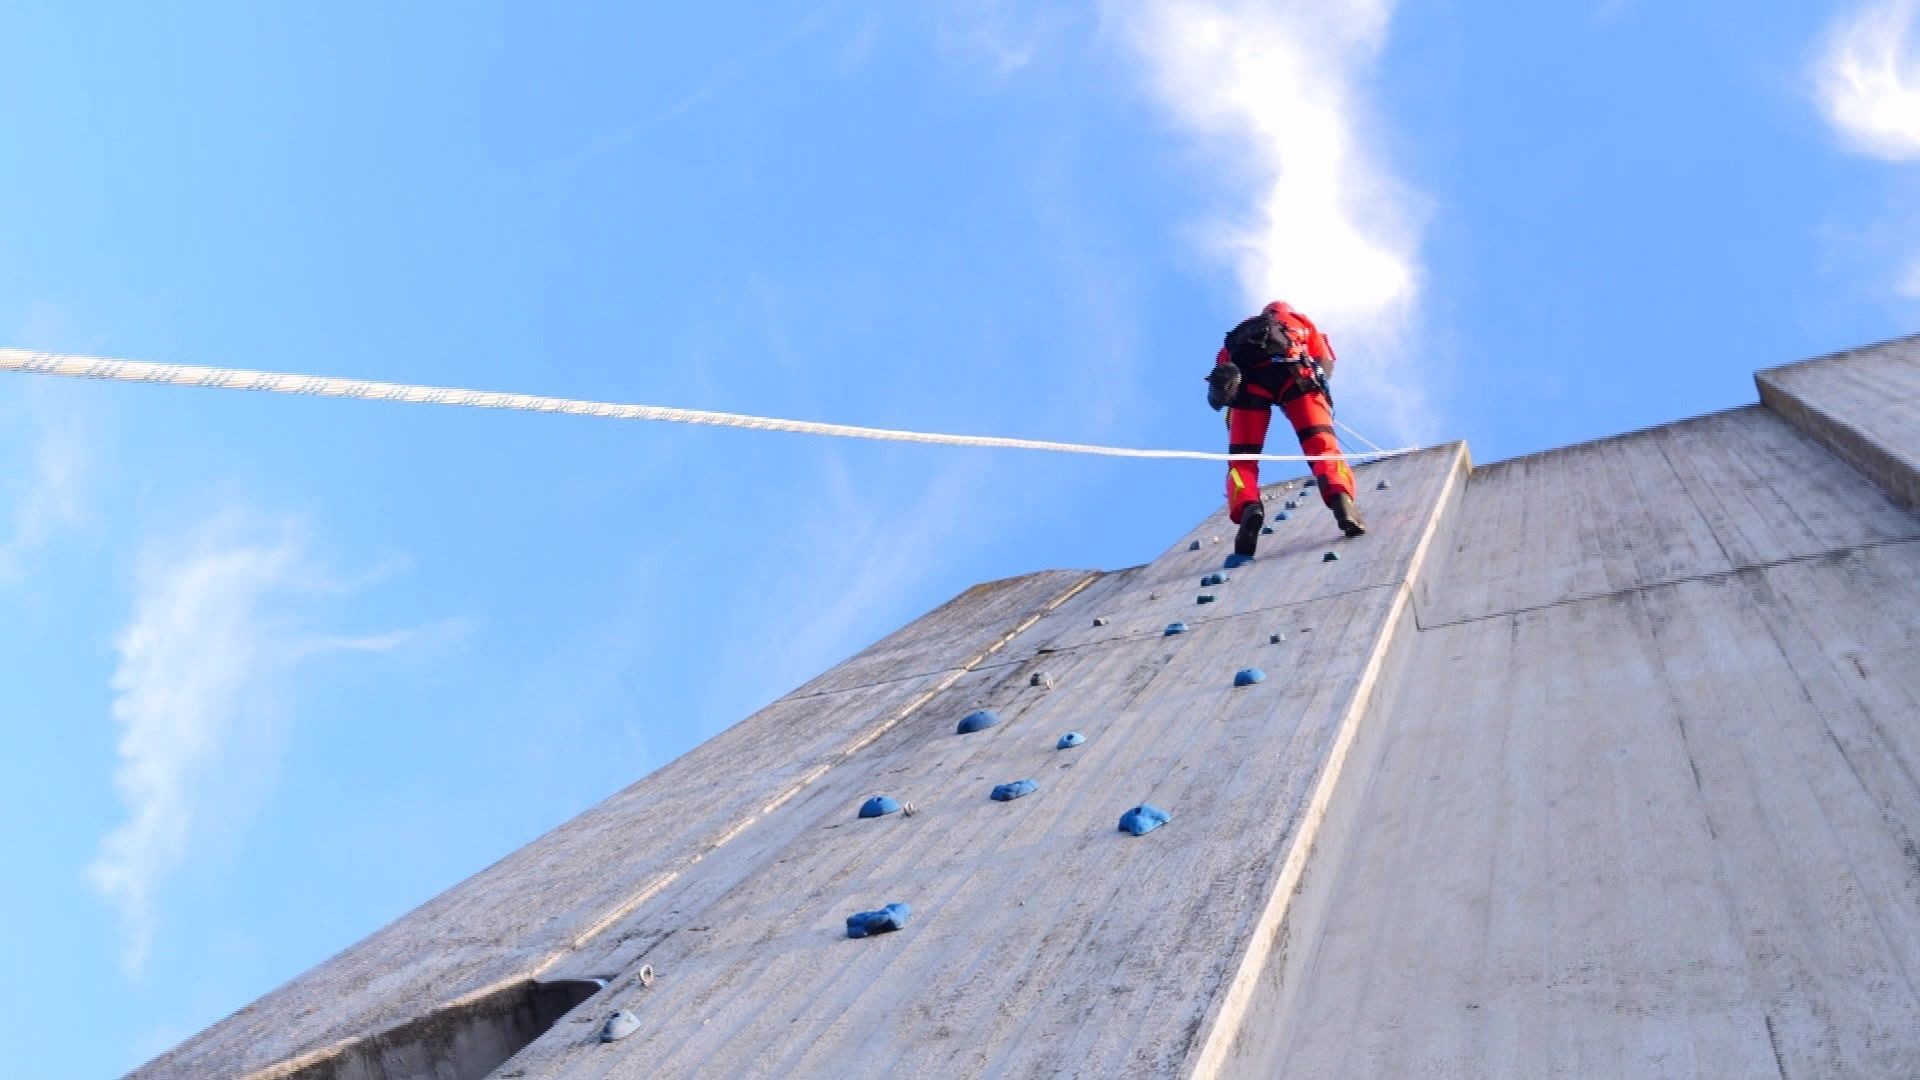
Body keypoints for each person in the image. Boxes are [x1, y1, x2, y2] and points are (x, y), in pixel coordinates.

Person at [1206, 300, 1366, 557]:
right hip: (1296, 376)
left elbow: (1220, 378)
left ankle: (1249, 508)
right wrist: (1316, 392)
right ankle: (1342, 501)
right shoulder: (1300, 322)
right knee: (1322, 448)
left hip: (1249, 389)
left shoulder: (1240, 333)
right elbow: (1325, 363)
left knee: (1242, 462)